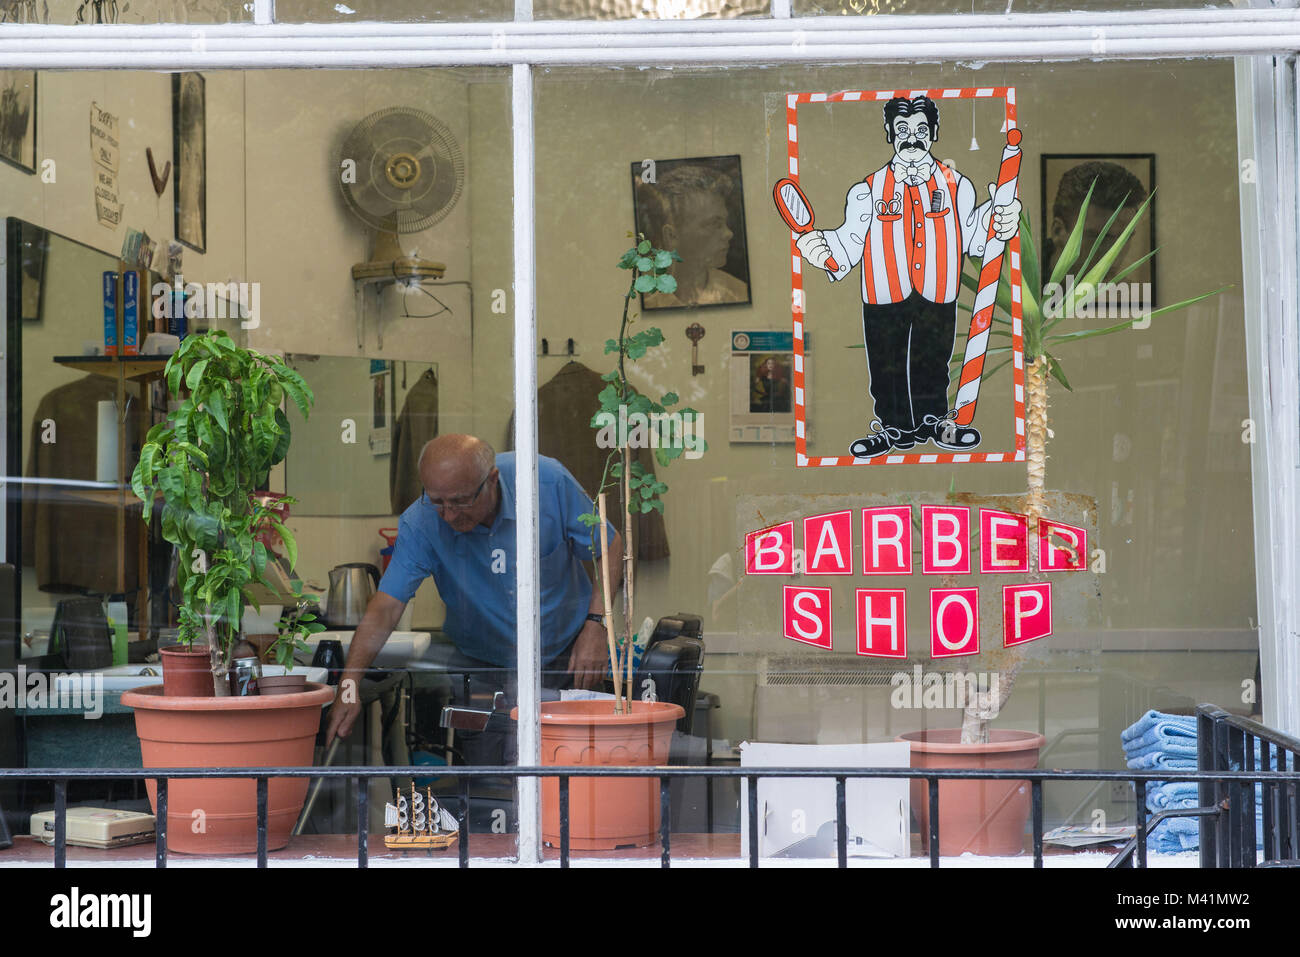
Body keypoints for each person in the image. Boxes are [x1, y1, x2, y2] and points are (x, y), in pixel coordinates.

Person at [325, 433, 622, 743]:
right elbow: (385, 608)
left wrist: (598, 625)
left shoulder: (545, 482)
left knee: (575, 766)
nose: (450, 515)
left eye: (461, 501)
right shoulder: (421, 521)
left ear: (491, 480)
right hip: (481, 663)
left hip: (568, 652)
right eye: (438, 501)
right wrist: (349, 685)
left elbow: (609, 545)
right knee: (486, 781)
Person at [795, 95, 1021, 458]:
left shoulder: (958, 187)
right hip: (883, 295)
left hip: (938, 291)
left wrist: (999, 217)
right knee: (886, 365)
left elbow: (974, 236)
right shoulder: (865, 191)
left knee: (934, 361)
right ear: (889, 133)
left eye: (919, 129)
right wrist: (821, 250)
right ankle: (891, 428)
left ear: (933, 132)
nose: (911, 138)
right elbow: (848, 242)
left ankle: (934, 422)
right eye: (902, 129)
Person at [636, 163, 749, 308]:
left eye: (724, 223)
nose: (729, 233)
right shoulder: (643, 301)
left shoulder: (740, 294)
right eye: (714, 224)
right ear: (671, 237)